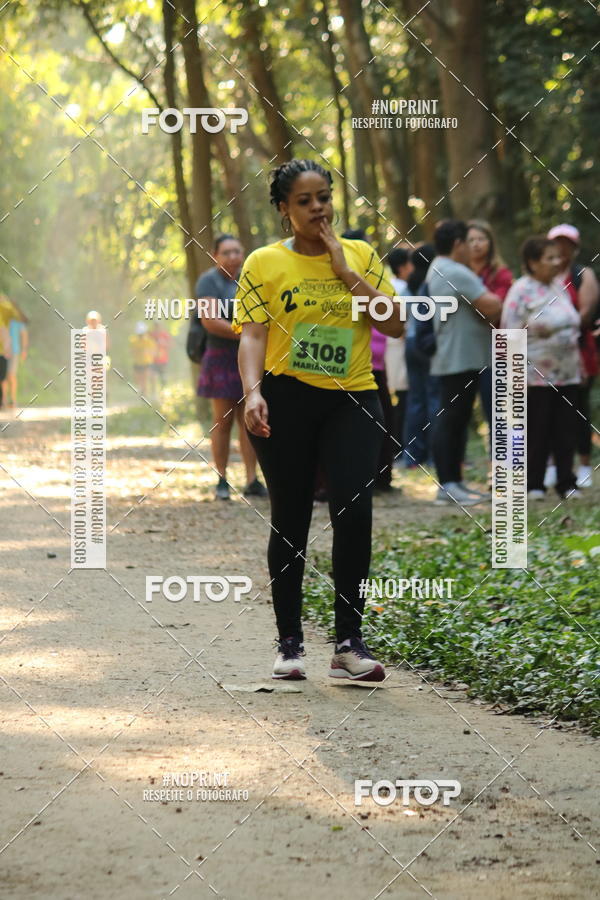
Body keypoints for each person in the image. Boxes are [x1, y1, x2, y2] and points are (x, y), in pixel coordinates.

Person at [232, 158, 403, 681]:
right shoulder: (263, 262)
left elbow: (394, 325)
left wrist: (346, 273)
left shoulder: (360, 255)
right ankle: (289, 643)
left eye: (324, 197)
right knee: (292, 515)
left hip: (352, 398)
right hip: (286, 399)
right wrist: (253, 392)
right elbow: (254, 335)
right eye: (304, 201)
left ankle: (349, 644)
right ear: (284, 210)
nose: (317, 208)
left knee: (354, 512)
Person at [427, 220, 501, 505]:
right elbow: (492, 305)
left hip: (458, 354)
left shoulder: (438, 267)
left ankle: (454, 483)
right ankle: (448, 485)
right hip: (459, 356)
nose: (473, 248)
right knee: (452, 420)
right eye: (468, 242)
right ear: (457, 244)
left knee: (455, 420)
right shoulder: (455, 271)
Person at [501, 237, 581, 499]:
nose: (557, 262)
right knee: (538, 429)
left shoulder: (560, 287)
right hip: (534, 375)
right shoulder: (521, 290)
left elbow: (573, 321)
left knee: (566, 429)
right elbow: (510, 332)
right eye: (550, 258)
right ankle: (533, 484)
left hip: (567, 372)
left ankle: (566, 483)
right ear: (532, 263)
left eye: (557, 257)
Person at [195, 234, 267, 501]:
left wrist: (254, 340)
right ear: (216, 255)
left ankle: (252, 479)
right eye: (226, 252)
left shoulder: (250, 278)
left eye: (237, 251)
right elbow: (210, 321)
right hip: (220, 358)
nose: (233, 257)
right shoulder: (208, 281)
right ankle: (222, 480)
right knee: (222, 421)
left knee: (249, 420)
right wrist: (248, 335)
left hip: (250, 359)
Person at [545, 224, 599, 489]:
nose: (562, 249)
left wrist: (562, 328)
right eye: (557, 243)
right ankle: (554, 465)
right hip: (546, 352)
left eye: (567, 244)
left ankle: (585, 463)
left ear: (575, 247)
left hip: (578, 348)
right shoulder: (542, 276)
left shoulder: (583, 275)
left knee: (578, 407)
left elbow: (586, 312)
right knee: (549, 408)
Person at [402, 244, 439, 467]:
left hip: (410, 343)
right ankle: (436, 456)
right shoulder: (433, 283)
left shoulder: (408, 285)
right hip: (428, 343)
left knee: (415, 400)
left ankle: (413, 455)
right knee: (435, 398)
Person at [385, 248, 413, 465]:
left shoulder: (388, 287)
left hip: (388, 350)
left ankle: (397, 447)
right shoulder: (404, 289)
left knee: (396, 399)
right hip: (400, 348)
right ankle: (401, 446)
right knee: (404, 399)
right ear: (403, 267)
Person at [4, 303, 29, 408]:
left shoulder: (18, 321)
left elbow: (24, 335)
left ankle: (13, 400)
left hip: (14, 351)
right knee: (3, 377)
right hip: (3, 352)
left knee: (11, 375)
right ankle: (3, 400)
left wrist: (24, 350)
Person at [129, 321, 156, 396]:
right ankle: (143, 391)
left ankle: (145, 394)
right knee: (138, 379)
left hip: (147, 362)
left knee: (145, 378)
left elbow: (154, 352)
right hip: (137, 363)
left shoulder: (149, 341)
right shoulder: (134, 341)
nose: (141, 335)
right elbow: (132, 351)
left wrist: (148, 353)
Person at [0, 294, 16, 409]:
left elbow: (4, 333)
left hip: (3, 354)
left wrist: (7, 348)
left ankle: (5, 400)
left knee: (4, 378)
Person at [151, 323, 173, 389]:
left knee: (163, 376)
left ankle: (163, 389)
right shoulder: (151, 335)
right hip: (153, 360)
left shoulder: (164, 335)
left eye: (158, 326)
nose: (157, 327)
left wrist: (163, 343)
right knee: (153, 376)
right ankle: (154, 392)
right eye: (155, 326)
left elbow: (171, 345)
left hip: (163, 359)